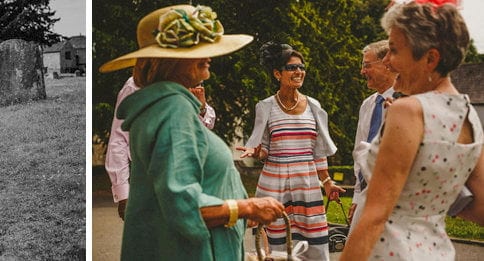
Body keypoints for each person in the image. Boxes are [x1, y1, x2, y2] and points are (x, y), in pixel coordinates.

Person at [99, 4, 287, 260]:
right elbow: (184, 208)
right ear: (169, 61)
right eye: (198, 48)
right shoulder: (172, 111)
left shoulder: (164, 107)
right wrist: (247, 207)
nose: (210, 54)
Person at [341, 1, 483, 259]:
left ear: (430, 58)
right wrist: (428, 198)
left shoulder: (407, 111)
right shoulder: (468, 115)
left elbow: (374, 217)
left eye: (394, 51)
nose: (387, 61)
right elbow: (481, 208)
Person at [237, 42, 344, 260]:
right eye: (292, 68)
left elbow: (318, 150)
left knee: (314, 241)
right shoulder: (265, 106)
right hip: (274, 182)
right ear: (277, 73)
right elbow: (264, 147)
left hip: (307, 183)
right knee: (277, 244)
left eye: (302, 67)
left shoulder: (314, 106)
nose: (299, 72)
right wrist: (258, 153)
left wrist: (327, 182)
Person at [104, 76, 217, 220]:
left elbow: (204, 128)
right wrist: (123, 193)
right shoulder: (136, 85)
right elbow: (119, 138)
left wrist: (201, 108)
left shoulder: (189, 79)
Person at [349, 40, 397, 226]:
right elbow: (358, 153)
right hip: (365, 196)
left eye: (367, 65)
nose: (362, 72)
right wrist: (356, 197)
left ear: (387, 64)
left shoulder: (408, 101)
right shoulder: (367, 105)